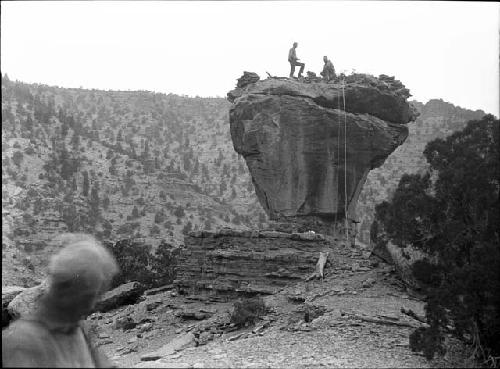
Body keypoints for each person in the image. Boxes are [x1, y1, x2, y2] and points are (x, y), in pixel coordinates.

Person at [2, 233, 119, 368]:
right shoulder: (20, 342)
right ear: (64, 289)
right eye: (88, 296)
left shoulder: (77, 330)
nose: (92, 305)